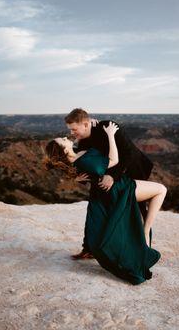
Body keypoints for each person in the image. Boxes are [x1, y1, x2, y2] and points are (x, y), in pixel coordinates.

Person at [45, 122, 167, 285]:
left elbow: (85, 155)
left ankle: (143, 235)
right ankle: (145, 232)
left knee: (140, 211)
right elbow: (114, 160)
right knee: (161, 190)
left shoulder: (78, 158)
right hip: (120, 188)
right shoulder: (83, 160)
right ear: (65, 150)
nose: (66, 137)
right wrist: (110, 134)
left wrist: (90, 128)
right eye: (63, 140)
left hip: (111, 189)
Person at [64, 108, 157, 260]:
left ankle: (143, 248)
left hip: (131, 170)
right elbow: (87, 165)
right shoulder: (82, 142)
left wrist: (112, 176)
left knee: (136, 210)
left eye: (74, 129)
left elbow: (128, 153)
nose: (72, 133)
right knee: (95, 210)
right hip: (104, 177)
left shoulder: (107, 127)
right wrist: (79, 178)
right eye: (70, 130)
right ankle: (89, 249)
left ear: (86, 124)